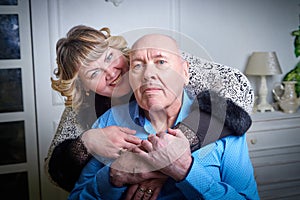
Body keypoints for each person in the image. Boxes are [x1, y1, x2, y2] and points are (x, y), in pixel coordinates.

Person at [45, 25, 254, 193]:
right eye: (93, 74)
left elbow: (236, 95)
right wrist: (88, 143)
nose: (111, 72)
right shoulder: (91, 113)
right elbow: (58, 172)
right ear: (85, 89)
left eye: (109, 57)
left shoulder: (155, 53)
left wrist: (170, 162)